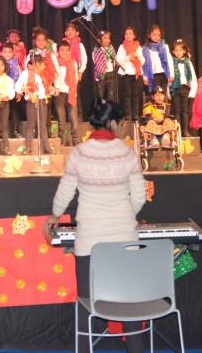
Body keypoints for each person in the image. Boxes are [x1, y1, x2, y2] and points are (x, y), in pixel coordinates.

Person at [44, 97, 146, 353]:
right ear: (112, 123)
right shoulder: (128, 154)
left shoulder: (79, 153)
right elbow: (139, 197)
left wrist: (54, 216)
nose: (121, 127)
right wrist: (125, 217)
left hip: (89, 244)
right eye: (120, 123)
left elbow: (65, 191)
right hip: (126, 244)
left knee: (86, 303)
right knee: (130, 305)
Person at [16, 52, 54, 155]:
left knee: (43, 126)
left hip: (42, 101)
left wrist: (51, 90)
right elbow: (17, 86)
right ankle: (28, 147)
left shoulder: (43, 76)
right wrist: (22, 89)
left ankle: (47, 148)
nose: (44, 67)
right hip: (32, 101)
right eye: (42, 64)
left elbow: (47, 88)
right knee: (31, 125)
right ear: (36, 64)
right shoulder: (26, 74)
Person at [116, 26, 146, 131]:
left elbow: (143, 61)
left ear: (134, 35)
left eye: (130, 34)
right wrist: (128, 57)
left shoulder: (138, 46)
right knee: (127, 96)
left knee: (136, 95)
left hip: (136, 74)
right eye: (126, 34)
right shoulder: (121, 47)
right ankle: (128, 114)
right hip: (126, 74)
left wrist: (137, 55)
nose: (128, 36)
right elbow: (118, 61)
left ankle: (136, 114)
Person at [52, 40, 81, 146]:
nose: (64, 52)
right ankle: (63, 140)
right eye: (62, 50)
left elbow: (76, 78)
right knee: (61, 121)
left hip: (71, 93)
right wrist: (56, 88)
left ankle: (75, 139)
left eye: (67, 50)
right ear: (58, 51)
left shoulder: (73, 62)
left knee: (74, 120)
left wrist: (73, 91)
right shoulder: (56, 62)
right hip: (60, 93)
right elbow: (54, 77)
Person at [168, 39, 197, 137]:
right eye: (176, 50)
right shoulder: (171, 62)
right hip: (175, 89)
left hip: (185, 88)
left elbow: (193, 77)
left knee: (185, 111)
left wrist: (192, 92)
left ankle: (185, 130)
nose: (178, 52)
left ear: (184, 51)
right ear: (173, 52)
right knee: (177, 111)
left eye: (180, 50)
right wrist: (168, 91)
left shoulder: (188, 62)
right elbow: (169, 77)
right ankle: (177, 131)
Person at [142, 24, 172, 94]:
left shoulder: (164, 46)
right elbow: (143, 64)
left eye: (159, 35)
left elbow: (169, 60)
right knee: (155, 94)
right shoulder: (145, 49)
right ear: (149, 35)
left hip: (164, 74)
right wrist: (145, 77)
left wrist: (171, 74)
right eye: (154, 34)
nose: (156, 37)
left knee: (163, 94)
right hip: (153, 75)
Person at [91, 30, 118, 103]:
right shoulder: (96, 50)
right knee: (101, 95)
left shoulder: (111, 49)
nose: (107, 40)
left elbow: (115, 60)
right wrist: (103, 59)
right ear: (99, 40)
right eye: (105, 38)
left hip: (111, 74)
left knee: (110, 96)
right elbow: (95, 62)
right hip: (101, 75)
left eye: (108, 38)